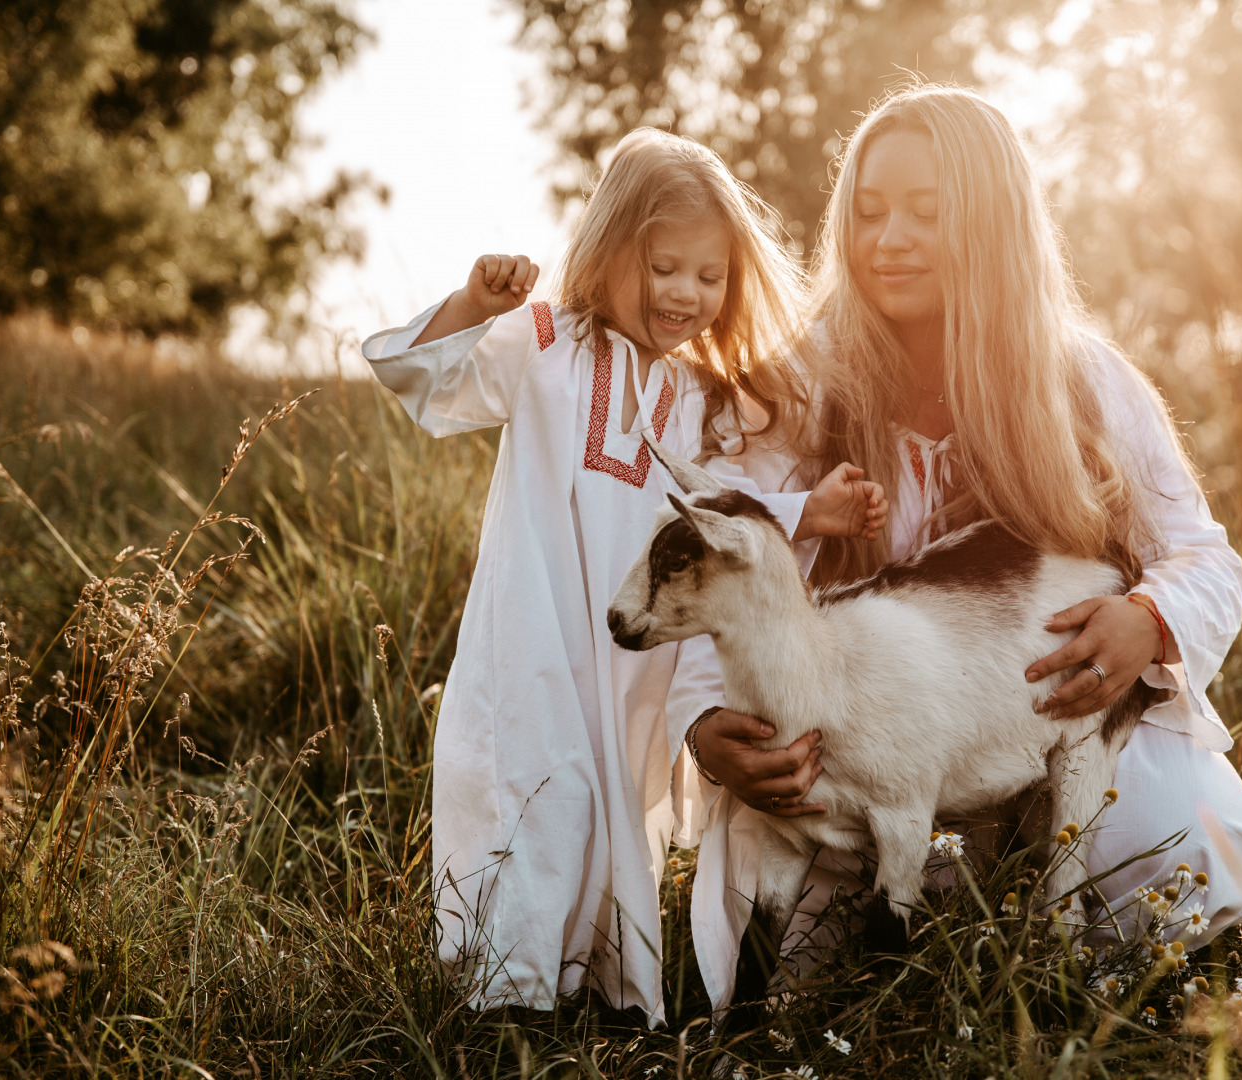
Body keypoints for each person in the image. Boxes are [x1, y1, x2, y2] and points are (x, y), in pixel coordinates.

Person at [680, 84, 1242, 1008]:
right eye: (871, 212)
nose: (890, 239)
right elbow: (711, 558)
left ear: (994, 225)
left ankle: (1056, 945)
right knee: (793, 965)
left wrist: (1146, 618)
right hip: (871, 751)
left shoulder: (1081, 381)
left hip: (1047, 736)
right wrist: (702, 727)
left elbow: (1203, 555)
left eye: (929, 213)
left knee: (1179, 844)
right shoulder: (806, 385)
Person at [359, 128, 887, 1024]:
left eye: (708, 276)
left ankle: (591, 995)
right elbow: (425, 384)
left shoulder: (692, 401)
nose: (686, 293)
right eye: (664, 267)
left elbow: (714, 520)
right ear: (607, 255)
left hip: (628, 656)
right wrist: (468, 302)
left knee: (608, 810)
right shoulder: (545, 343)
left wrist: (811, 514)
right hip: (535, 631)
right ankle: (506, 1003)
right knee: (541, 790)